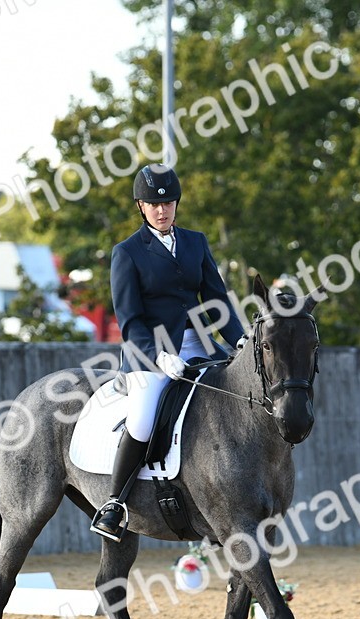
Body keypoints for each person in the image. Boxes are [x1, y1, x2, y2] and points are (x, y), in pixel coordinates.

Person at [89, 163, 247, 541]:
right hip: (149, 354)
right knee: (143, 417)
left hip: (198, 345)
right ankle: (115, 503)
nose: (162, 211)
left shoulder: (196, 242)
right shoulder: (126, 253)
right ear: (141, 207)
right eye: (153, 205)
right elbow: (129, 319)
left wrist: (238, 339)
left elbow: (214, 298)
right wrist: (158, 356)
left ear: (176, 204)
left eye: (169, 203)